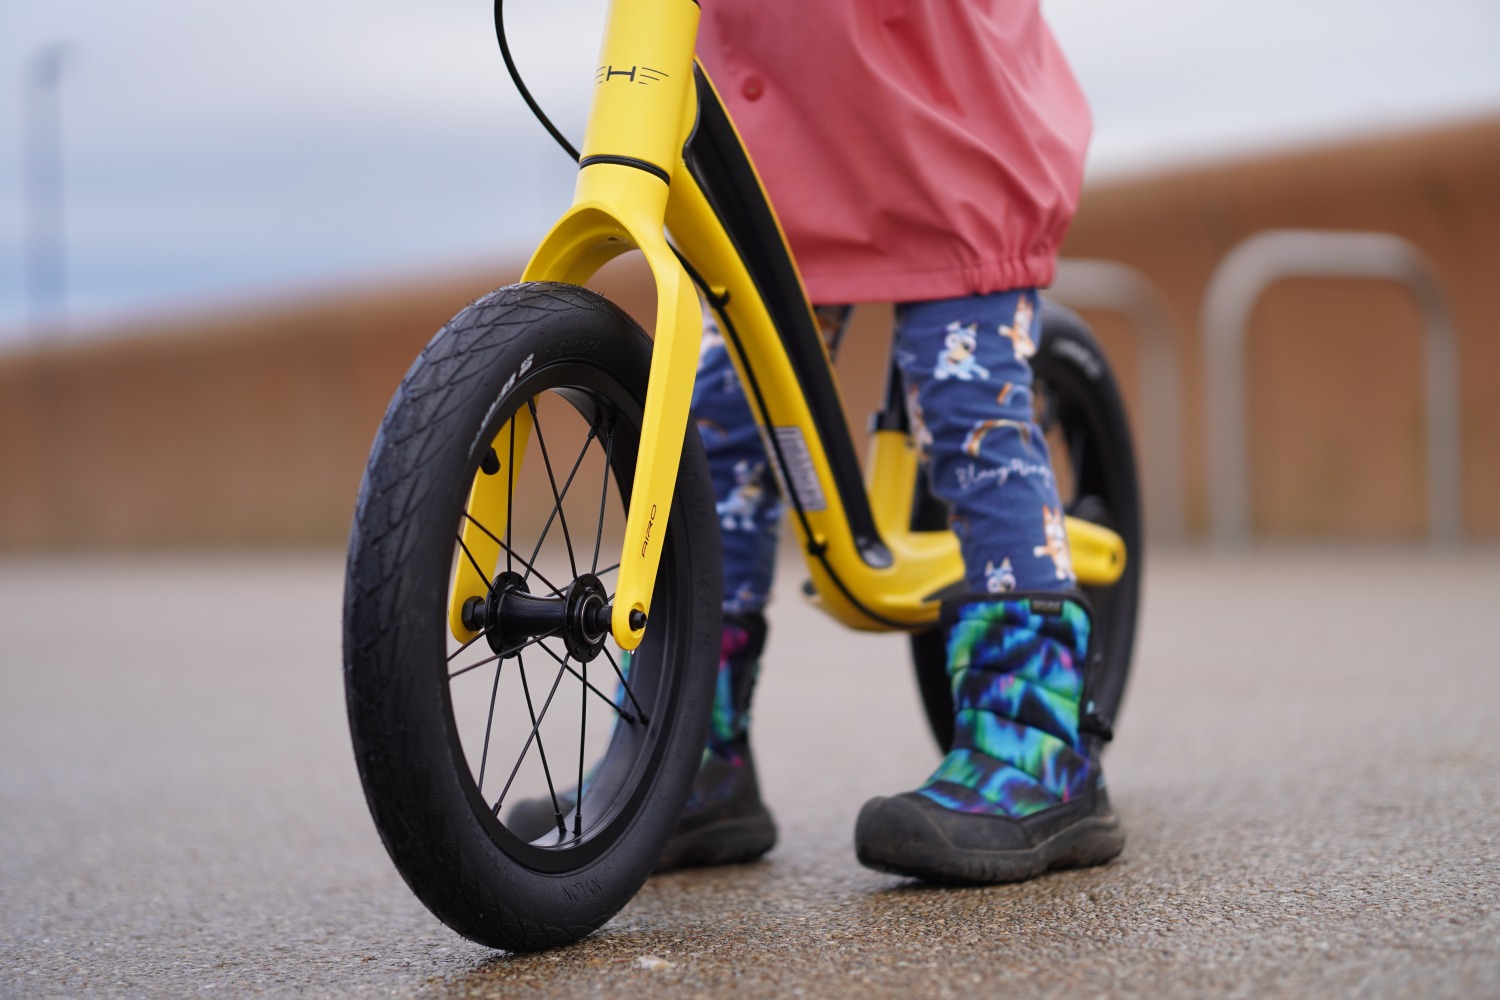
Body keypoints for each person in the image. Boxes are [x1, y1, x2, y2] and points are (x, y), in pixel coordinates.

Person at [672, 0, 1126, 883]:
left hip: (939, 123)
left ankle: (1038, 746)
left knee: (965, 400)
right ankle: (691, 744)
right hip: (774, 139)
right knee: (722, 423)